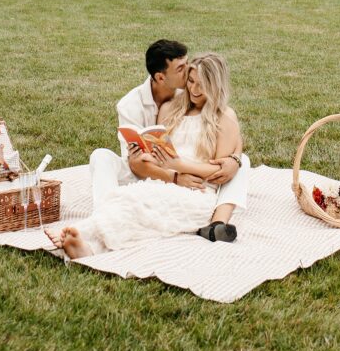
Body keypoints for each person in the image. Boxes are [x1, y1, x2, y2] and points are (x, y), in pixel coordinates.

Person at [46, 53, 248, 258]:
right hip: (164, 182)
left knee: (138, 205)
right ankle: (87, 248)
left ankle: (81, 231)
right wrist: (145, 155)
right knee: (131, 201)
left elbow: (218, 171)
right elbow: (160, 156)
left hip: (199, 192)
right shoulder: (171, 109)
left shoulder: (224, 117)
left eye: (202, 85)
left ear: (215, 86)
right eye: (191, 81)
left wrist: (179, 164)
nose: (194, 90)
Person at [89, 39, 249, 239]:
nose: (191, 83)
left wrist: (235, 157)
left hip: (191, 176)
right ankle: (102, 215)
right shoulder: (131, 106)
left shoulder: (190, 90)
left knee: (243, 161)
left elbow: (227, 128)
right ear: (160, 77)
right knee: (101, 157)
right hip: (146, 171)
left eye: (187, 65)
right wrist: (174, 176)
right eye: (182, 70)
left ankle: (218, 221)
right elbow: (136, 165)